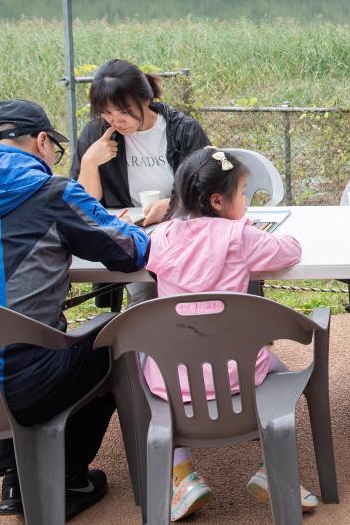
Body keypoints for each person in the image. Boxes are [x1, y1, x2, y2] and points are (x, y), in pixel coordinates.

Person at [0, 99, 149, 519]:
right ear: (41, 142)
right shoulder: (50, 193)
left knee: (5, 340)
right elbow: (128, 252)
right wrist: (139, 225)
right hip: (20, 388)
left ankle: (10, 477)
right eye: (54, 148)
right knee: (115, 336)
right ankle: (66, 478)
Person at [143, 147, 316, 521]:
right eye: (243, 195)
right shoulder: (240, 236)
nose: (246, 204)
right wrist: (249, 230)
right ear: (219, 201)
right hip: (239, 374)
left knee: (145, 362)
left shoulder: (161, 237)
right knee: (280, 370)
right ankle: (272, 469)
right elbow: (290, 250)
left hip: (172, 381)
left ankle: (183, 476)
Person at [72, 58, 209, 306]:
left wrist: (174, 204)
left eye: (123, 111)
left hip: (183, 234)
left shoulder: (183, 131)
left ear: (145, 99)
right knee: (144, 298)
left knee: (186, 289)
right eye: (106, 113)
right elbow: (83, 206)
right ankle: (145, 342)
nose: (116, 121)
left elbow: (207, 188)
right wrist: (90, 164)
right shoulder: (96, 134)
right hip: (131, 236)